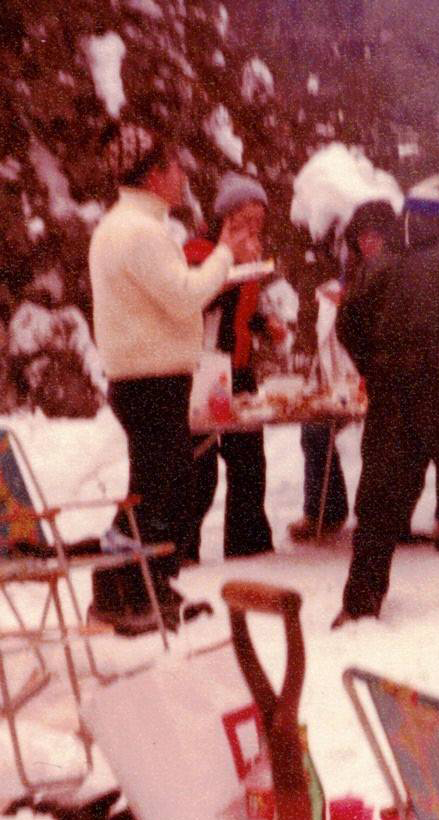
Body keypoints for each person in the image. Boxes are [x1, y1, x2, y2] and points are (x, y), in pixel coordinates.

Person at [88, 121, 258, 634]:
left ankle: (138, 586)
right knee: (160, 493)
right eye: (176, 166)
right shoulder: (138, 232)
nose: (183, 174)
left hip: (145, 379)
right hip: (148, 382)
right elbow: (185, 295)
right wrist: (226, 254)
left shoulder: (129, 226)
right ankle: (129, 591)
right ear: (155, 175)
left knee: (159, 489)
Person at [332, 176, 439, 626]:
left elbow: (347, 324)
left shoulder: (380, 266)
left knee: (381, 497)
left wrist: (376, 369)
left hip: (395, 396)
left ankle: (362, 599)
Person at [181, 172, 286, 562]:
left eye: (259, 220)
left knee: (249, 461)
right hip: (205, 370)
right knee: (200, 465)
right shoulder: (197, 251)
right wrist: (231, 271)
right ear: (225, 218)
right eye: (244, 219)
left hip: (239, 368)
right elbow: (197, 302)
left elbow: (243, 310)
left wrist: (263, 323)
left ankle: (249, 542)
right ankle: (181, 545)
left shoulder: (250, 255)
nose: (252, 228)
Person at [289, 200, 399, 542]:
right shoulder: (353, 271)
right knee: (315, 428)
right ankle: (325, 510)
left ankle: (386, 518)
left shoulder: (400, 271)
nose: (368, 244)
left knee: (385, 437)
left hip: (391, 377)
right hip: (350, 377)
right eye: (362, 237)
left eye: (375, 237)